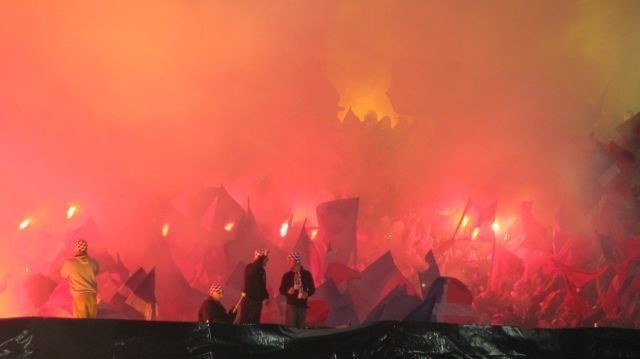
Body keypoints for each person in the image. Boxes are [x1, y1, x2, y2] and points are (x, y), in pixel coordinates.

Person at [60, 239, 100, 318]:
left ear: (76, 249)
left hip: (79, 298)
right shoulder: (94, 263)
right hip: (92, 298)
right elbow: (96, 272)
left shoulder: (70, 263)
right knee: (92, 326)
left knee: (81, 326)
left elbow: (63, 274)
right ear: (86, 248)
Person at [279, 251, 315, 328]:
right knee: (291, 328)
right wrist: (287, 291)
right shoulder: (287, 275)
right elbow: (281, 289)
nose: (288, 263)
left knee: (301, 329)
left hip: (302, 306)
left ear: (295, 261)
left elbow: (312, 289)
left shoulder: (306, 274)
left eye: (290, 261)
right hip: (291, 306)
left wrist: (307, 294)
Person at [236, 249, 270, 323]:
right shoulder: (250, 267)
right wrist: (263, 256)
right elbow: (254, 269)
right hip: (249, 302)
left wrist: (266, 297)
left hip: (257, 303)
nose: (267, 261)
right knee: (246, 323)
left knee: (254, 324)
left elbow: (262, 286)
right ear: (260, 259)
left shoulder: (262, 271)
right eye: (265, 259)